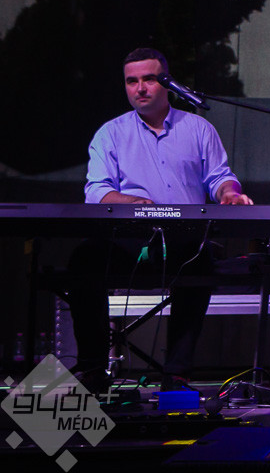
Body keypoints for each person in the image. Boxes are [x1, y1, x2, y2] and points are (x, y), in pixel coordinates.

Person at [67, 47, 252, 389]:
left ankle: (176, 374)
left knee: (201, 260)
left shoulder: (198, 128)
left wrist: (229, 193)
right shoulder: (110, 133)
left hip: (184, 243)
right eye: (131, 81)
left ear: (167, 83)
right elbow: (97, 191)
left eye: (149, 79)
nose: (140, 88)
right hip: (128, 242)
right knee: (83, 260)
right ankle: (92, 369)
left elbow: (219, 177)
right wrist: (134, 203)